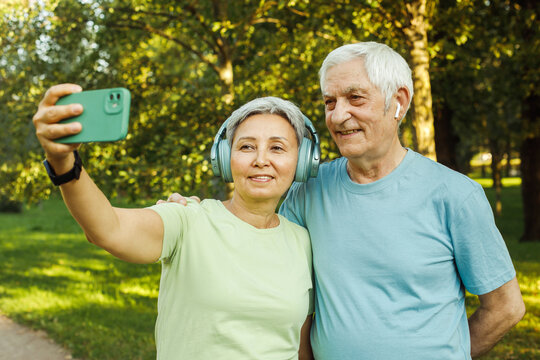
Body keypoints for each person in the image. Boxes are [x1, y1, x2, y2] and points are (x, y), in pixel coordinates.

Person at [166, 42, 526, 359]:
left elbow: (505, 307)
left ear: (398, 102)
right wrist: (195, 216)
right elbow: (256, 242)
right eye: (329, 102)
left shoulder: (456, 195)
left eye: (355, 98)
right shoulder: (308, 190)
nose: (338, 116)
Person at [32, 89, 319, 360]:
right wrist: (63, 161)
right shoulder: (187, 219)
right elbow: (108, 229)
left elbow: (301, 348)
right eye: (246, 146)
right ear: (225, 157)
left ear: (302, 161)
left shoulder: (302, 241)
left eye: (277, 148)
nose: (260, 160)